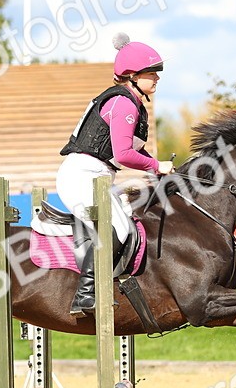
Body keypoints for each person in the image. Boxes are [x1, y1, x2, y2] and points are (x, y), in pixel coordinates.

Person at [56, 33, 174, 316]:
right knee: (119, 229)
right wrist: (157, 166)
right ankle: (85, 295)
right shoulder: (124, 103)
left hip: (97, 175)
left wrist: (159, 168)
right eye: (152, 73)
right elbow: (123, 155)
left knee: (128, 223)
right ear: (132, 75)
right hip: (83, 175)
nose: (157, 78)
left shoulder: (132, 102)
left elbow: (134, 152)